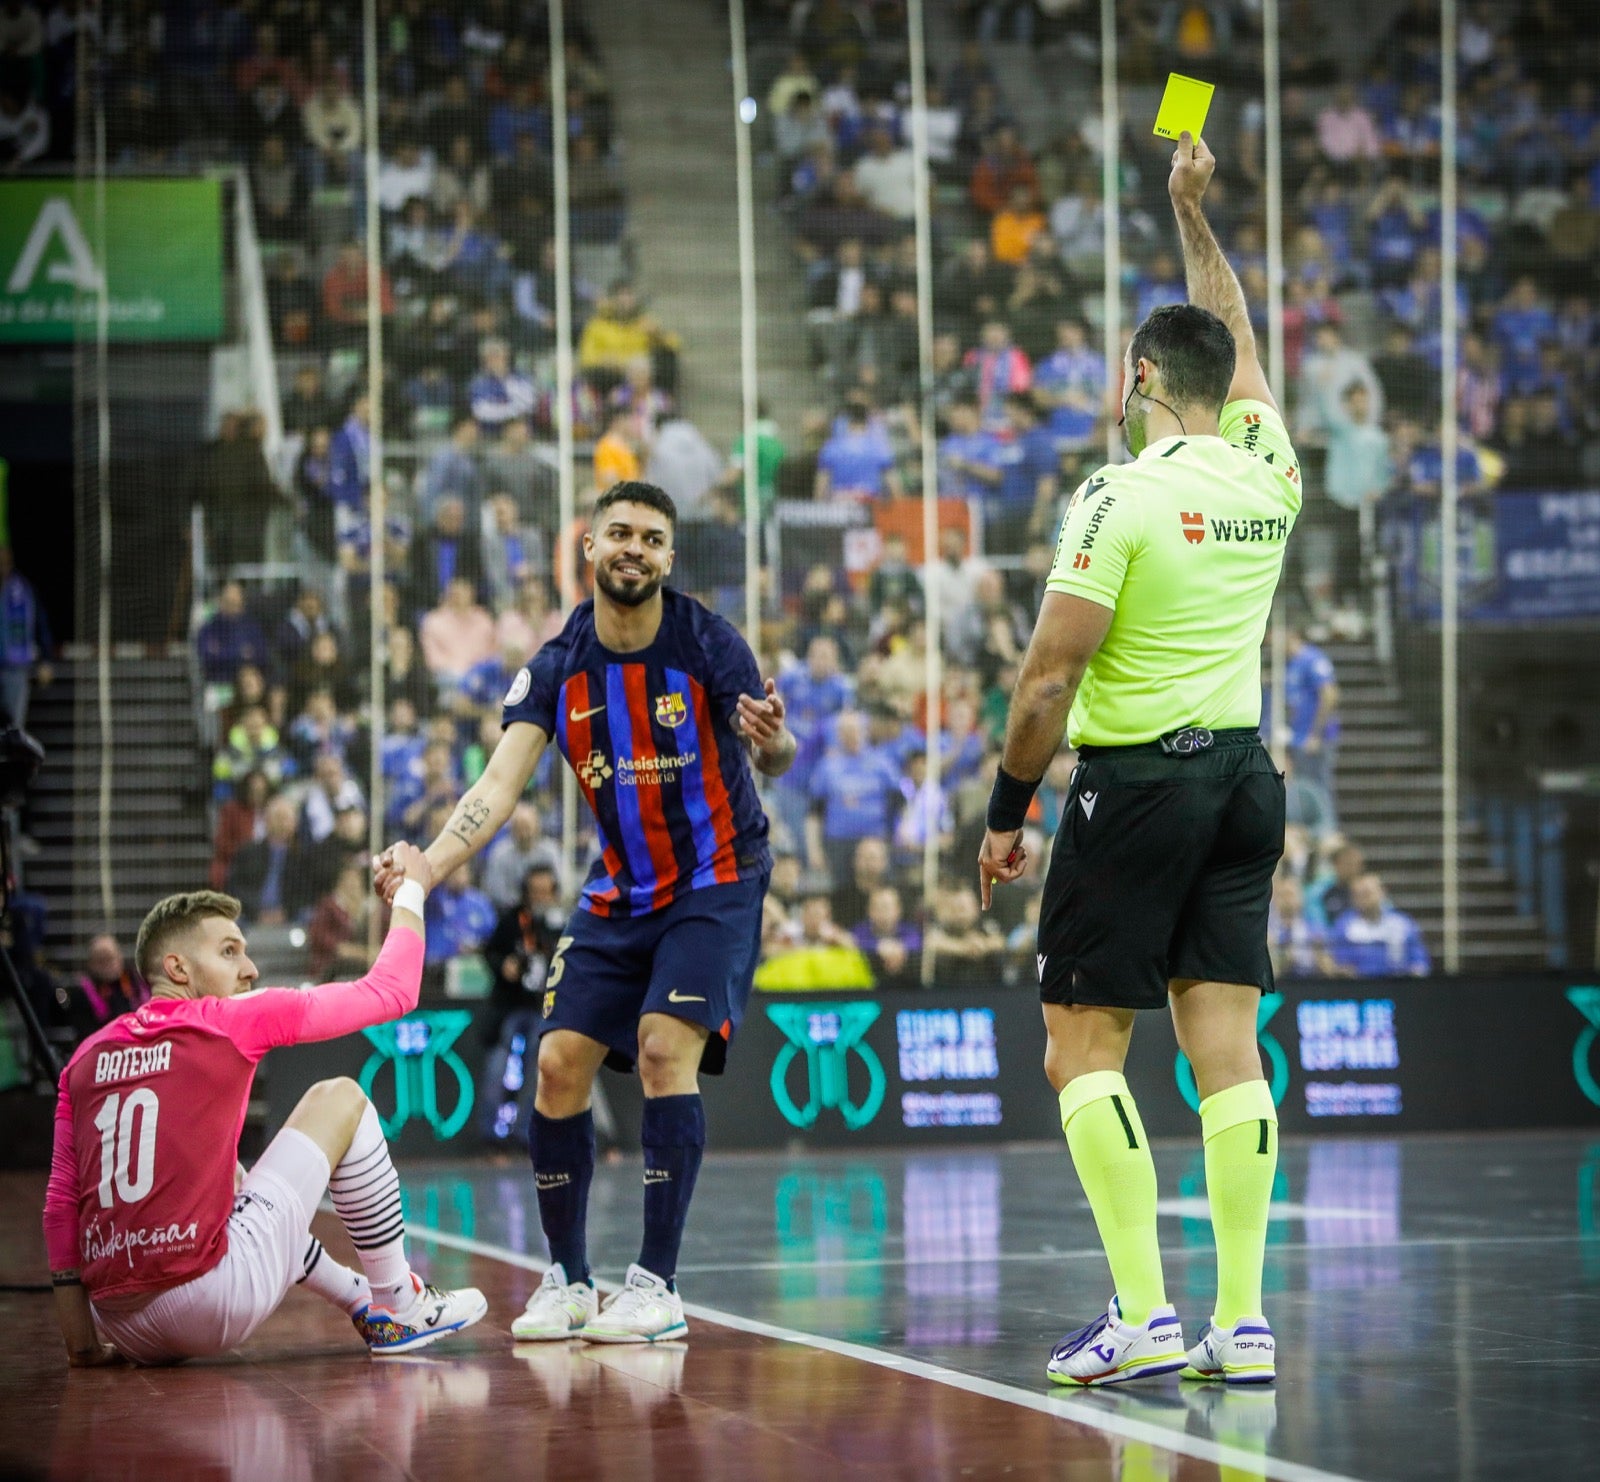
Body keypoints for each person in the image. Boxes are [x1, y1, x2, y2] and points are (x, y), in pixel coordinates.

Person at [977, 134, 1299, 1388]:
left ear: (1142, 378)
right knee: (1229, 1053)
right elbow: (1238, 339)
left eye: (1128, 371)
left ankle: (1143, 1314)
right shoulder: (1268, 476)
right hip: (1245, 784)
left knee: (1079, 1045)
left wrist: (1006, 810)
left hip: (1140, 788)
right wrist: (1190, 214)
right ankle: (1243, 1324)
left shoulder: (1118, 495)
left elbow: (1045, 682)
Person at [373, 480, 796, 1344]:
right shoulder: (557, 664)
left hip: (717, 877)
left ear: (668, 558)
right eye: (620, 533)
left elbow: (777, 757)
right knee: (559, 1062)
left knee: (661, 1047)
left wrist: (776, 740)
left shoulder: (709, 642)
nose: (635, 548)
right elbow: (497, 786)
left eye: (652, 537)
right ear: (591, 547)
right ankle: (568, 1281)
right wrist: (428, 864)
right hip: (620, 889)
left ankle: (657, 1288)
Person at [39, 863, 486, 1366]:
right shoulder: (227, 1020)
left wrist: (82, 1346)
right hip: (206, 1304)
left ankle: (360, 1297)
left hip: (119, 1324)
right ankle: (400, 1303)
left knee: (237, 1182)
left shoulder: (86, 1057)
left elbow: (60, 1207)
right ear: (179, 969)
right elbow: (393, 991)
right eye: (229, 952)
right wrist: (412, 889)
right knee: (340, 1098)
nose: (250, 969)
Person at [1327, 872, 1431, 977]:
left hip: (1399, 982)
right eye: (1357, 895)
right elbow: (1340, 962)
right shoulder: (1344, 926)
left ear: (1382, 892)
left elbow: (1419, 960)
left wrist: (1416, 971)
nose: (1363, 899)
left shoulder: (1402, 923)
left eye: (1367, 893)